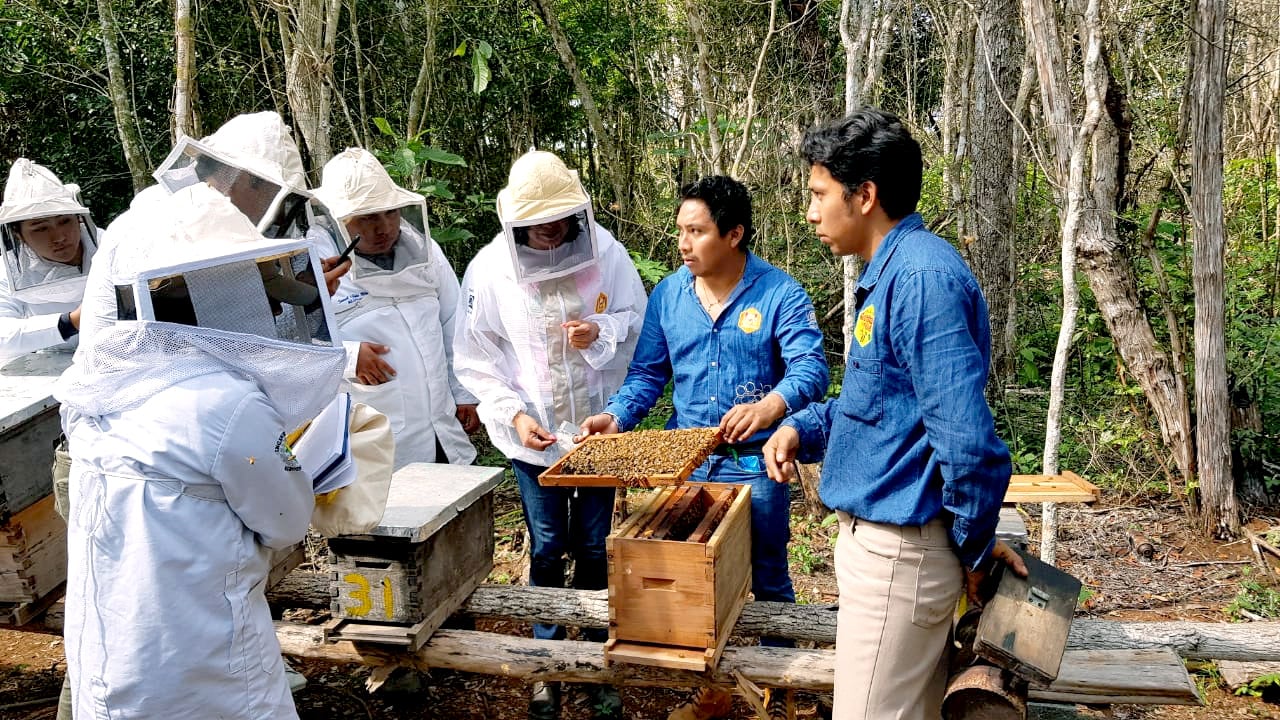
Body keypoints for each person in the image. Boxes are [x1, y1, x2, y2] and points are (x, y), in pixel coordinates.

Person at [761, 108, 1028, 720]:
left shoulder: (922, 280)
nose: (810, 213)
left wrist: (976, 549)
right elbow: (877, 409)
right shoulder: (890, 278)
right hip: (886, 555)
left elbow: (969, 447)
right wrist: (802, 428)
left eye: (818, 194)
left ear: (865, 196)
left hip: (901, 559)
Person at [54, 183, 348, 719]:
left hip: (111, 655)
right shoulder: (225, 403)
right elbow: (284, 521)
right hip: (205, 667)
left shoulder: (91, 385)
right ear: (220, 291)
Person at [578, 175, 828, 720]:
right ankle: (712, 693)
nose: (684, 244)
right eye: (681, 232)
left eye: (697, 231)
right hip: (687, 468)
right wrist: (616, 416)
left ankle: (776, 695)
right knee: (697, 588)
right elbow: (647, 374)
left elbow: (812, 369)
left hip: (755, 468)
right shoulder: (669, 294)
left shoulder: (780, 293)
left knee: (768, 580)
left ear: (734, 234)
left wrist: (770, 407)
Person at [452, 150, 646, 720]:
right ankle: (545, 661)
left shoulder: (607, 252)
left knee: (591, 545)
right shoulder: (489, 268)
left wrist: (600, 329)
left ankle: (592, 658)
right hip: (531, 434)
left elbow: (637, 319)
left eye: (560, 218)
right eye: (539, 222)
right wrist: (513, 416)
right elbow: (476, 356)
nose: (551, 229)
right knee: (546, 546)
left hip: (596, 429)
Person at [313, 148, 478, 468]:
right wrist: (347, 357)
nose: (384, 227)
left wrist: (464, 392)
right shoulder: (313, 262)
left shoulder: (425, 250)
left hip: (442, 426)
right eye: (368, 217)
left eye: (390, 213)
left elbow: (453, 321)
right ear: (337, 219)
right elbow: (289, 345)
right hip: (371, 443)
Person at [0, 159, 99, 366]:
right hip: (51, 366)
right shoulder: (7, 271)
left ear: (78, 218)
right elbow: (3, 336)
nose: (59, 237)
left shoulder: (111, 246)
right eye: (41, 228)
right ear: (19, 235)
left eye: (64, 221)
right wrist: (70, 322)